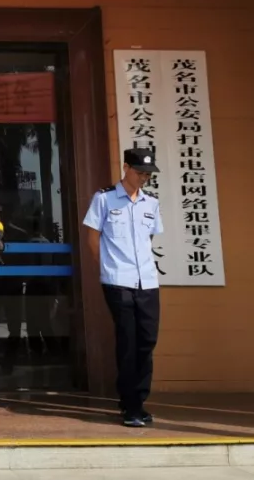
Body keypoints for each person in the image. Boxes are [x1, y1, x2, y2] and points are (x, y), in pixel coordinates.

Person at [82, 147, 162, 428]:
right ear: (126, 167)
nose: (144, 178)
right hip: (118, 280)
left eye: (148, 174)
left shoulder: (151, 203)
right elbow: (93, 238)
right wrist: (107, 267)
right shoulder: (104, 199)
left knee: (147, 341)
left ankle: (138, 399)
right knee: (128, 340)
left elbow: (149, 240)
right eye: (139, 172)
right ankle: (130, 406)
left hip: (148, 281)